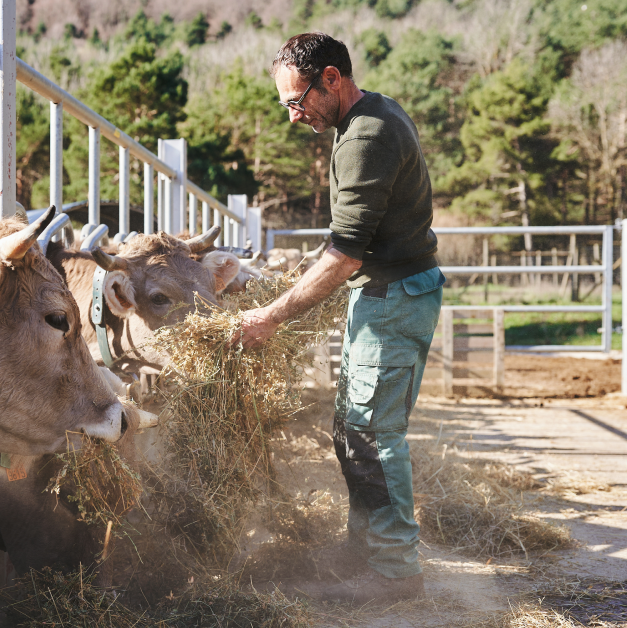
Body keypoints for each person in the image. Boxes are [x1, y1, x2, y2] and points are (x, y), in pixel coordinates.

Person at [230, 32, 444, 604]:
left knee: (375, 434)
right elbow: (349, 243)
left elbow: (346, 252)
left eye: (297, 100)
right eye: (285, 105)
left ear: (331, 78)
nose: (293, 115)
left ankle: (397, 571)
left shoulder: (366, 136)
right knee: (352, 429)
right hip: (386, 289)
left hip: (392, 295)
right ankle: (365, 548)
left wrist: (271, 315)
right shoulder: (364, 118)